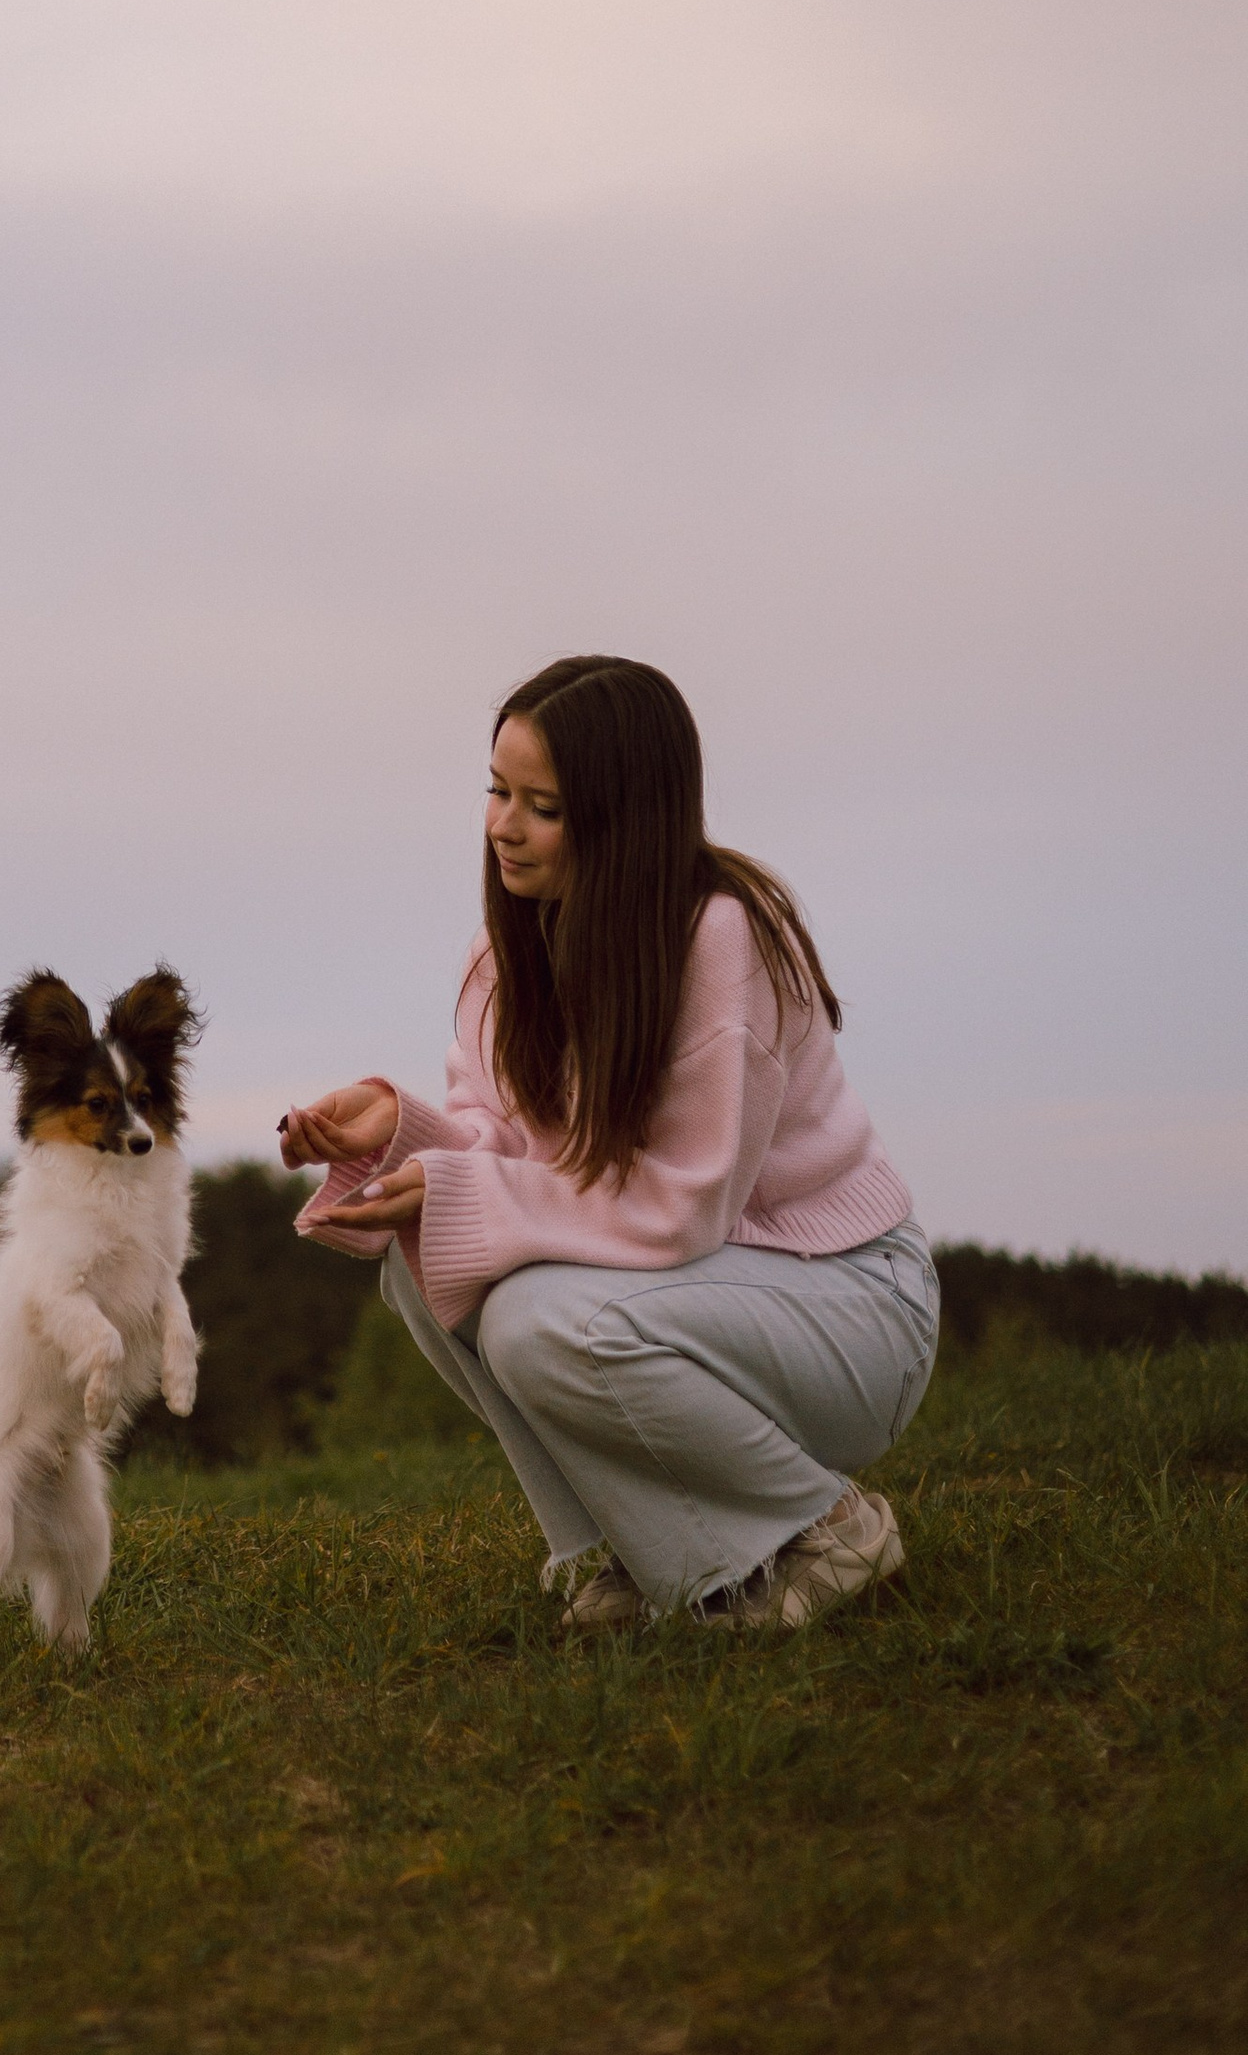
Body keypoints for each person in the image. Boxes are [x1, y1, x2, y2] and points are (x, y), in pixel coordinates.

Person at [279, 656, 937, 1633]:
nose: (504, 825)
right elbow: (509, 1150)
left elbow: (682, 1206)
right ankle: (655, 1559)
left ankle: (821, 1529)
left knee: (538, 1320)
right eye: (497, 792)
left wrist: (460, 1188)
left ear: (623, 814)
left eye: (542, 806)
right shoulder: (509, 947)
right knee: (422, 1269)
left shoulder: (722, 939)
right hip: (712, 1296)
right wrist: (402, 1133)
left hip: (846, 1304)